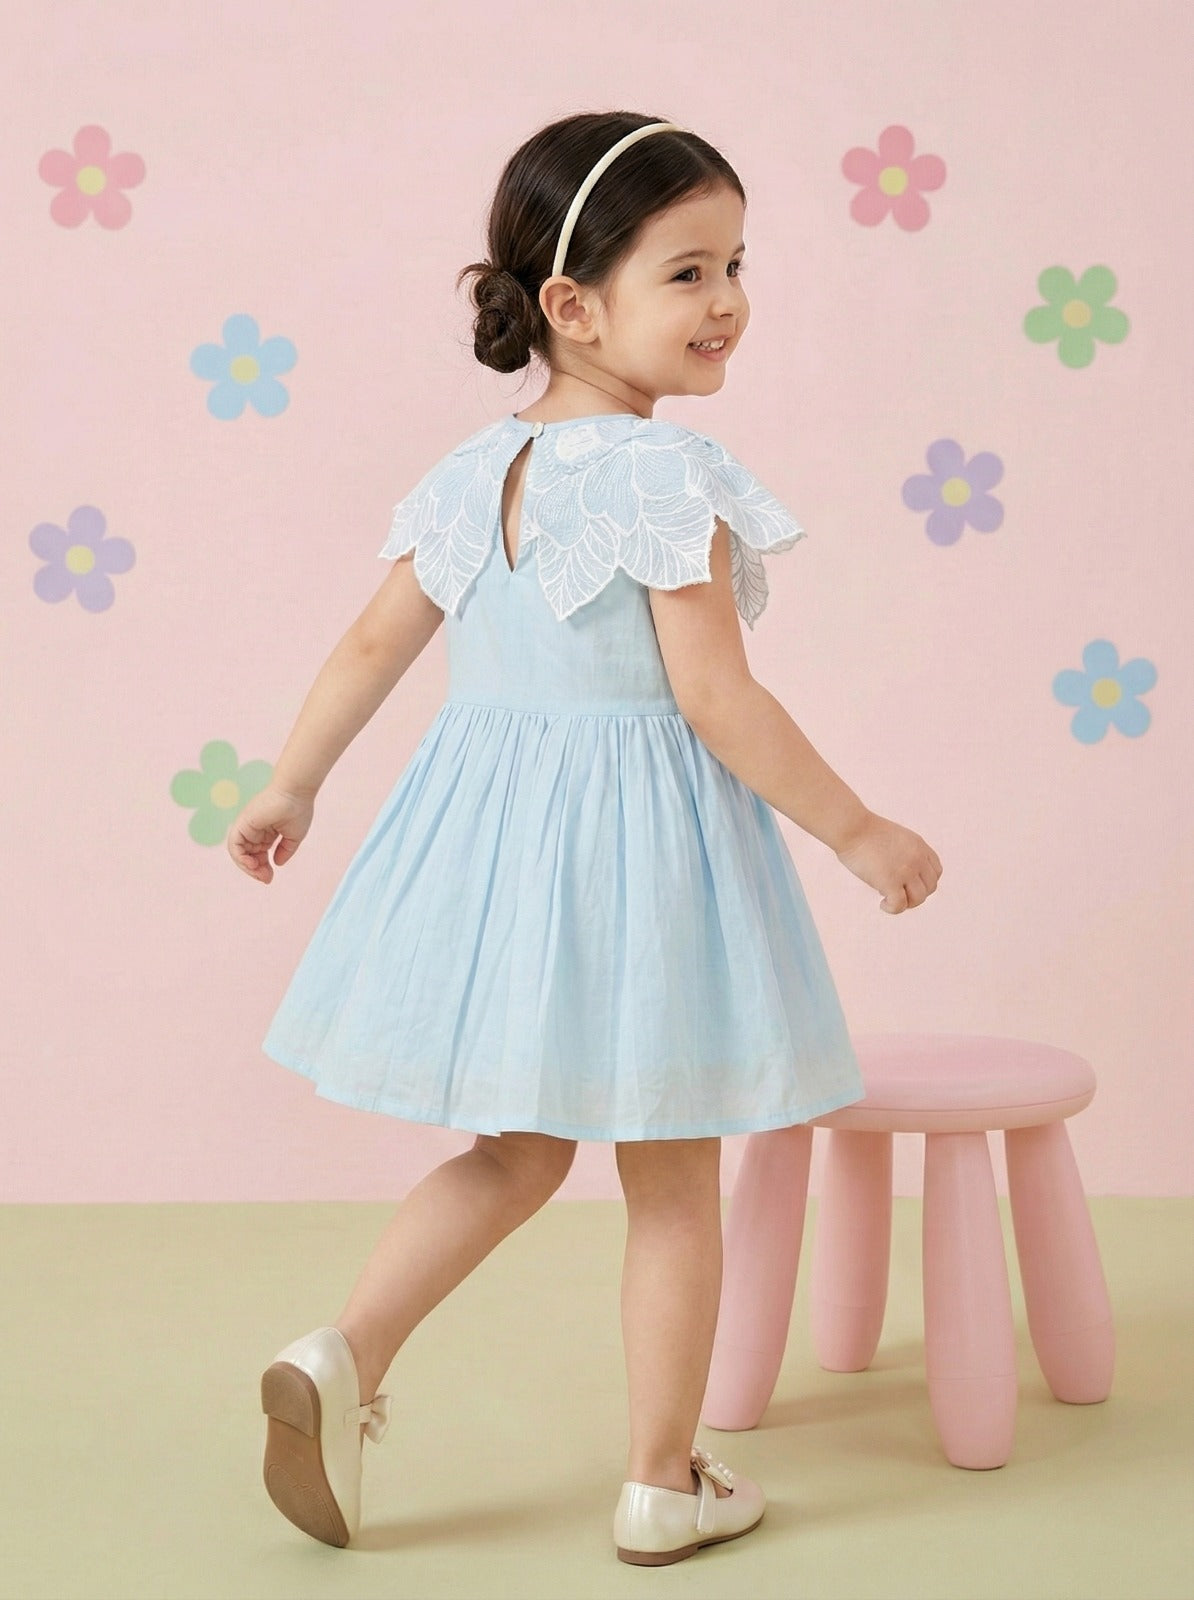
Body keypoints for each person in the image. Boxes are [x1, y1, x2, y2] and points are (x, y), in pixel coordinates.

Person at [229, 110, 942, 1566]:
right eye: (687, 271)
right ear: (572, 303)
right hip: (644, 862)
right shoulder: (665, 475)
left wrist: (292, 782)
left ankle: (345, 1351)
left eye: (736, 264)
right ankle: (661, 1481)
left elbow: (370, 645)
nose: (728, 299)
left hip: (500, 860)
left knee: (514, 1152)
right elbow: (716, 700)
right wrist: (855, 829)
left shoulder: (470, 472)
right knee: (671, 1179)